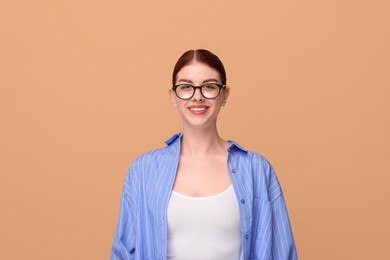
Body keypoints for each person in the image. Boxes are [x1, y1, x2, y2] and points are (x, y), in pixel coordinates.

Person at [111, 49, 298, 260]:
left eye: (209, 86)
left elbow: (282, 253)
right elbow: (123, 253)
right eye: (186, 87)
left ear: (225, 95)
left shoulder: (257, 170)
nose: (197, 96)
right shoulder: (142, 171)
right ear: (173, 96)